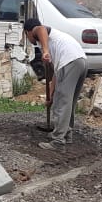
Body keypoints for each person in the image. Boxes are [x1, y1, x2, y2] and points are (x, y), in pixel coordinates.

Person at [24, 17, 87, 150]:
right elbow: (55, 75)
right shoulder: (54, 41)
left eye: (26, 36)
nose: (29, 39)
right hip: (80, 61)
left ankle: (58, 141)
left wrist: (45, 51)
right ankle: (66, 134)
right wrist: (50, 97)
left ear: (28, 32)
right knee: (67, 101)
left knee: (62, 103)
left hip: (69, 61)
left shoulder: (38, 31)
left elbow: (40, 29)